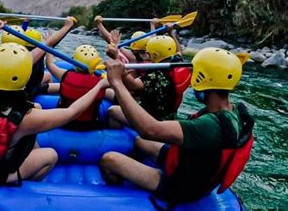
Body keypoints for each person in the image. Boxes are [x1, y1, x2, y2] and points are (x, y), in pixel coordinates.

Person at [0, 18, 109, 193]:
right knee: (50, 155)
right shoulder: (27, 118)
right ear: (26, 77)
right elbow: (72, 111)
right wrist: (99, 86)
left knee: (36, 108)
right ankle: (13, 187)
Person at [99, 47, 254, 204]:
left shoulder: (210, 126)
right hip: (191, 163)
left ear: (203, 78)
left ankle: (119, 198)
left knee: (109, 159)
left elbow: (149, 130)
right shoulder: (232, 111)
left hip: (181, 187)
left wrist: (117, 83)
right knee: (139, 141)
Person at [106, 26, 191, 128]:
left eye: (148, 53)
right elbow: (178, 50)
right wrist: (171, 34)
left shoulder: (155, 75)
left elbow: (132, 85)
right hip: (170, 115)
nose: (147, 56)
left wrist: (115, 57)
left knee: (112, 110)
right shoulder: (178, 63)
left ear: (154, 55)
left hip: (151, 119)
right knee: (110, 93)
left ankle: (120, 137)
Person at [0, 15, 76, 98]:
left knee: (48, 76)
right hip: (26, 93)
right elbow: (49, 43)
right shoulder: (25, 58)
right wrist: (67, 26)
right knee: (61, 85)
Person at [45, 45, 115, 130]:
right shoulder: (101, 83)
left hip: (64, 123)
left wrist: (49, 45)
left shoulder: (65, 75)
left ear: (74, 61)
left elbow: (49, 64)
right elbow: (115, 96)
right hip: (90, 126)